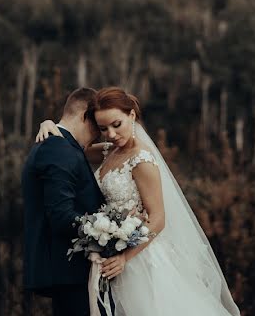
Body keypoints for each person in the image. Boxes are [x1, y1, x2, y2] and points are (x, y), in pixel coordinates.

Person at [36, 86, 241, 316]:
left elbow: (158, 219)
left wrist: (125, 257)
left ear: (131, 115)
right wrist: (50, 125)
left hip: (139, 257)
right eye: (103, 129)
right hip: (109, 252)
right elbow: (73, 148)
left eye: (116, 125)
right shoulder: (109, 151)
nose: (111, 134)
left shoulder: (142, 160)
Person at [21, 87, 105, 316]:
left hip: (70, 273)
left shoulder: (61, 145)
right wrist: (108, 229)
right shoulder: (59, 148)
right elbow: (60, 215)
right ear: (84, 116)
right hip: (69, 271)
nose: (100, 134)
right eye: (97, 126)